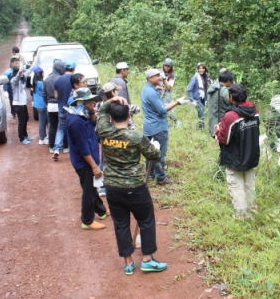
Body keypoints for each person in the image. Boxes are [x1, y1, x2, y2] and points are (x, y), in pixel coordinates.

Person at [97, 96, 169, 274]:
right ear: (129, 116)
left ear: (111, 118)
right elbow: (155, 156)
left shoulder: (104, 131)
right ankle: (147, 259)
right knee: (145, 220)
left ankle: (128, 263)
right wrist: (155, 147)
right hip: (135, 187)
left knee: (120, 224)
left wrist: (111, 100)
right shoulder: (136, 137)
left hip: (112, 187)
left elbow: (101, 112)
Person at [214, 84, 260, 219]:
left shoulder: (231, 116)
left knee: (236, 186)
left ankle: (242, 216)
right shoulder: (254, 110)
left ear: (231, 97)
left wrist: (217, 130)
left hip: (235, 157)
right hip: (251, 154)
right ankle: (252, 211)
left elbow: (224, 139)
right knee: (249, 185)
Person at [65, 87, 108, 230]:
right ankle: (87, 220)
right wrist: (94, 166)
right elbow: (83, 148)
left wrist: (92, 112)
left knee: (92, 187)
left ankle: (101, 210)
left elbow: (93, 124)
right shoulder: (76, 121)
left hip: (91, 158)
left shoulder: (83, 114)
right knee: (88, 191)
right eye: (88, 101)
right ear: (80, 102)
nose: (91, 103)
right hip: (84, 162)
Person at [141, 68, 188, 185]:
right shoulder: (152, 92)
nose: (160, 77)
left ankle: (150, 174)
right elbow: (162, 110)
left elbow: (155, 106)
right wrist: (177, 102)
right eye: (157, 76)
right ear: (150, 78)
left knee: (149, 152)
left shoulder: (146, 89)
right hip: (158, 127)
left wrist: (166, 104)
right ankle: (161, 177)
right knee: (159, 153)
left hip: (149, 126)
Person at [97, 62, 140, 130]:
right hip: (121, 120)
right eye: (127, 70)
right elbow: (123, 104)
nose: (128, 72)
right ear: (122, 70)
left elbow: (99, 94)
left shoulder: (111, 80)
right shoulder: (121, 82)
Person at [52, 60, 75, 160]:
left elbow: (56, 96)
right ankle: (73, 150)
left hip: (61, 108)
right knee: (74, 130)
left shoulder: (57, 80)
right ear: (74, 69)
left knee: (61, 129)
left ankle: (56, 149)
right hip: (73, 110)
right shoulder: (75, 79)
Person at [43, 61, 65, 155]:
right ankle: (64, 146)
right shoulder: (61, 79)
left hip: (50, 105)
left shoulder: (47, 79)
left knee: (52, 126)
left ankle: (51, 146)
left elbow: (44, 94)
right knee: (62, 126)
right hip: (60, 104)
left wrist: (47, 102)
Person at [10, 62, 34, 144]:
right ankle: (22, 138)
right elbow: (16, 78)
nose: (22, 74)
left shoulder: (22, 78)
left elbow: (29, 71)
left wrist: (35, 62)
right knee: (22, 121)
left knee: (26, 118)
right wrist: (19, 72)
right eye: (20, 73)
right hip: (18, 104)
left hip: (23, 103)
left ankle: (25, 135)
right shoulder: (13, 80)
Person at [207, 69, 234, 138]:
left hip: (213, 121)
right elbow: (232, 103)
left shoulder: (213, 87)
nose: (231, 84)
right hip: (221, 122)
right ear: (228, 81)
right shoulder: (224, 91)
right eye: (231, 82)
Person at [187, 62, 211, 129]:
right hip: (196, 99)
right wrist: (192, 100)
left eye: (203, 68)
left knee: (201, 114)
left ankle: (199, 128)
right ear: (197, 69)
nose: (201, 70)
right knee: (201, 113)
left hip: (202, 98)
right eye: (200, 68)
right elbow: (189, 89)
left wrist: (206, 99)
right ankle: (201, 129)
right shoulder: (195, 77)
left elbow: (205, 89)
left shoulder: (204, 77)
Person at [159, 58, 180, 128]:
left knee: (166, 109)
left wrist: (164, 78)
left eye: (169, 66)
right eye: (166, 66)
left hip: (166, 93)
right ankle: (164, 124)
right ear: (163, 65)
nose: (167, 67)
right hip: (158, 92)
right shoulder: (158, 71)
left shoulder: (172, 75)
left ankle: (176, 120)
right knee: (158, 109)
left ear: (171, 67)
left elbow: (169, 87)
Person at [31, 67, 48, 145]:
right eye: (43, 72)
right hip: (42, 104)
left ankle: (43, 136)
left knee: (43, 121)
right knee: (42, 122)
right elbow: (45, 93)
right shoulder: (41, 83)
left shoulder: (35, 82)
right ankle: (42, 138)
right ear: (40, 74)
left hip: (37, 104)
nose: (44, 74)